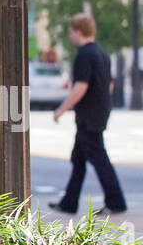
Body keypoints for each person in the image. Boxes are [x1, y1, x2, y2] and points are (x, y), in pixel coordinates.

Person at [50, 13, 126, 215]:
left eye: (71, 32)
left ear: (78, 31)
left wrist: (61, 109)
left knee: (99, 159)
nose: (70, 36)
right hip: (98, 112)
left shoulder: (84, 54)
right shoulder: (101, 52)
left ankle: (116, 201)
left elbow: (80, 87)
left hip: (89, 116)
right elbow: (108, 85)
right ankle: (69, 202)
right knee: (79, 159)